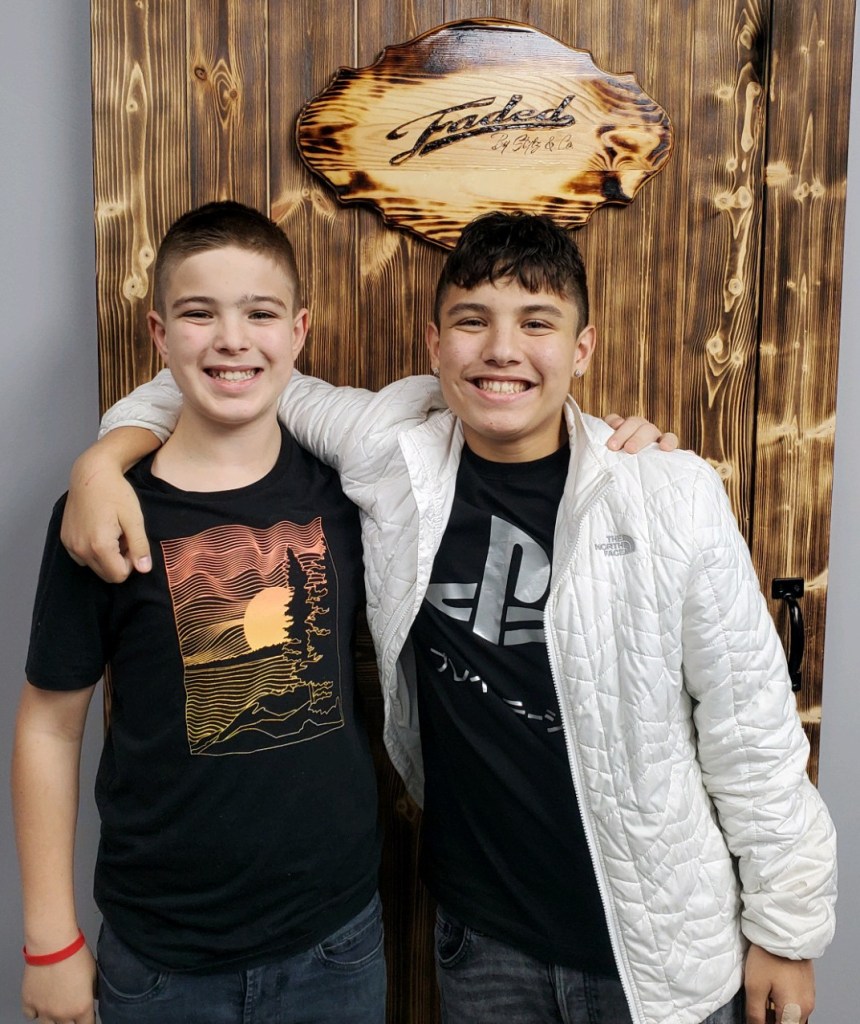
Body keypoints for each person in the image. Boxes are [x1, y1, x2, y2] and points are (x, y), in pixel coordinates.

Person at [61, 212, 826, 1024]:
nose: (502, 349)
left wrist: (787, 931)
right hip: (483, 941)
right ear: (434, 345)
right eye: (472, 321)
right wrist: (102, 463)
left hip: (657, 948)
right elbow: (218, 372)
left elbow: (751, 728)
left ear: (584, 349)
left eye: (537, 324)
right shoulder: (389, 450)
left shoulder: (668, 493)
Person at [13, 202, 388, 1024]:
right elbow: (49, 728)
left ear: (299, 331)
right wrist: (48, 939)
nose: (231, 338)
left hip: (335, 941)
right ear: (158, 333)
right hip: (162, 959)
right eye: (198, 313)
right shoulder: (100, 518)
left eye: (259, 313)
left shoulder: (350, 498)